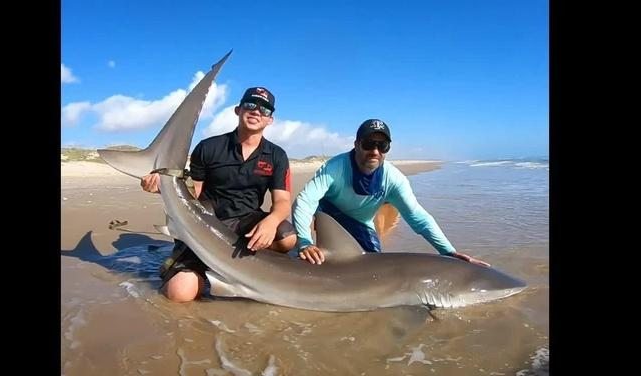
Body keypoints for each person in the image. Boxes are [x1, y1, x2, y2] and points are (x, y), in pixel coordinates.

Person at [141, 87, 297, 302]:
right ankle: (196, 260)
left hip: (247, 221)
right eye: (250, 105)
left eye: (264, 109)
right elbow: (194, 192)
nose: (256, 112)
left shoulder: (277, 155)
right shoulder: (209, 147)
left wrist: (271, 221)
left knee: (287, 238)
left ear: (270, 120)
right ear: (237, 110)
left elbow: (282, 201)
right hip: (207, 219)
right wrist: (161, 187)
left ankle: (248, 267)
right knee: (180, 295)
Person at [292, 118, 490, 267]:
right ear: (356, 144)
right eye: (369, 144)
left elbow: (418, 218)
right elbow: (304, 202)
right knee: (302, 253)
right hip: (327, 213)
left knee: (373, 267)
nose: (375, 151)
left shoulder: (393, 178)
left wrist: (448, 252)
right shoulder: (334, 168)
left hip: (360, 222)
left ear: (387, 149)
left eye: (382, 145)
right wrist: (305, 242)